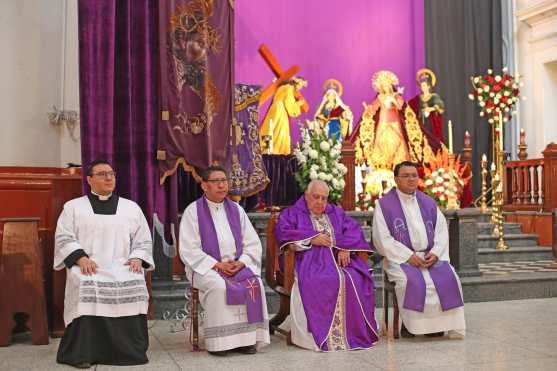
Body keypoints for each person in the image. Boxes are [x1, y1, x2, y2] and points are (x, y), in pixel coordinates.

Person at [54, 159, 154, 368]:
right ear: (89, 179)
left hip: (123, 265)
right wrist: (80, 257)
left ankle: (129, 352)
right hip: (88, 265)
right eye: (102, 174)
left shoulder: (130, 207)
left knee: (135, 280)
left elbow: (143, 239)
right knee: (86, 283)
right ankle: (84, 353)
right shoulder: (73, 207)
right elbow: (64, 237)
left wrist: (137, 257)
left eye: (112, 173)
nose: (109, 178)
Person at [274, 180, 379, 351]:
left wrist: (346, 247)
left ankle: (353, 334)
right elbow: (285, 236)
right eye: (316, 197)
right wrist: (311, 239)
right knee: (323, 280)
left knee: (357, 278)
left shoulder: (335, 212)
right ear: (306, 196)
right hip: (309, 261)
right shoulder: (292, 213)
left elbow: (353, 229)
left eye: (324, 198)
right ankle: (321, 335)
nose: (320, 202)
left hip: (340, 261)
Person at [179, 165, 270, 356]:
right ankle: (221, 343)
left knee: (255, 285)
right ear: (204, 185)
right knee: (220, 287)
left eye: (224, 180)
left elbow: (252, 243)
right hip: (207, 268)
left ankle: (247, 341)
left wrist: (243, 261)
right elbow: (189, 248)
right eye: (216, 181)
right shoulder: (193, 212)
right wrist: (217, 265)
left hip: (236, 265)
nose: (222, 185)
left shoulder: (236, 209)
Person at [372, 161, 466, 338]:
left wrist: (436, 253)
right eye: (406, 176)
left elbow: (441, 231)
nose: (411, 179)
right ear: (396, 179)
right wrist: (408, 256)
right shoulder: (385, 206)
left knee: (450, 278)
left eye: (414, 175)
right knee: (410, 282)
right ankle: (411, 326)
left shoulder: (428, 202)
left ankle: (438, 327)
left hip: (430, 257)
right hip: (400, 259)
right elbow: (381, 238)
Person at [351, 70, 439, 170]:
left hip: (395, 121)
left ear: (390, 85)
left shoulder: (396, 96)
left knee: (397, 140)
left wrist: (394, 100)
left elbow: (401, 107)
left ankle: (398, 163)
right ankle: (382, 163)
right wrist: (367, 108)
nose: (385, 87)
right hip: (383, 121)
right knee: (382, 140)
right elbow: (373, 109)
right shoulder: (380, 97)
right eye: (383, 86)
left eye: (387, 85)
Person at [259, 76, 309, 155]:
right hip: (280, 111)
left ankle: (266, 148)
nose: (300, 88)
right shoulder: (289, 88)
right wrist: (299, 103)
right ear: (296, 84)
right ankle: (277, 151)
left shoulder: (282, 87)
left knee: (269, 128)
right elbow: (289, 105)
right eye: (301, 86)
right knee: (280, 130)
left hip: (274, 109)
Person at [409, 68, 446, 145]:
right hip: (421, 123)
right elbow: (409, 105)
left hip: (431, 124)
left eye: (424, 85)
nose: (422, 87)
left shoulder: (433, 96)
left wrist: (431, 109)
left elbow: (440, 106)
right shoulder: (418, 98)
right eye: (421, 85)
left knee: (432, 142)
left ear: (429, 86)